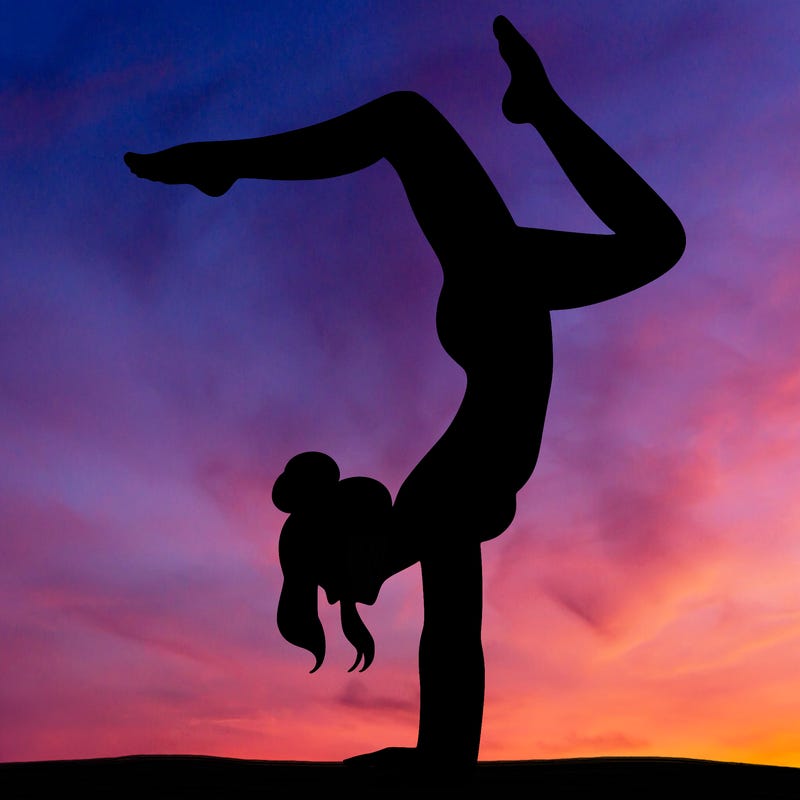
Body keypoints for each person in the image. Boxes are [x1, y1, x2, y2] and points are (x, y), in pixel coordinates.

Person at [125, 16, 685, 768]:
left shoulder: (432, 500)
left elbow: (449, 637)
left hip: (497, 293)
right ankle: (535, 107)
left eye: (337, 580)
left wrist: (437, 760)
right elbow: (452, 639)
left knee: (407, 122)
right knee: (418, 129)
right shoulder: (436, 508)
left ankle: (230, 161)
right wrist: (439, 761)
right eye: (339, 589)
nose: (352, 595)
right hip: (501, 293)